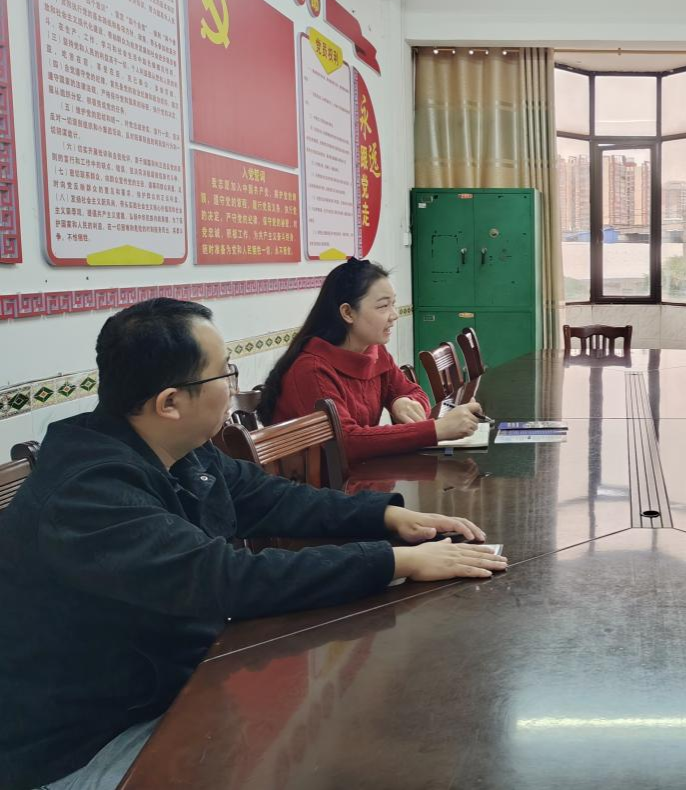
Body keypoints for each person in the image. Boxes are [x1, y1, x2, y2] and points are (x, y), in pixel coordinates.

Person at [0, 298, 506, 789]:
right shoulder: (90, 492)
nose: (233, 387)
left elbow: (268, 497)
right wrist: (396, 562)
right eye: (225, 374)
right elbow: (227, 579)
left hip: (170, 688)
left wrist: (388, 516)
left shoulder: (177, 447)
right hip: (88, 745)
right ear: (170, 403)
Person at [260, 258, 482, 463]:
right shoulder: (312, 369)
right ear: (348, 313)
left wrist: (401, 400)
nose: (394, 315)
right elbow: (346, 442)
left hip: (362, 472)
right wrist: (436, 430)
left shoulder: (374, 351)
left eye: (393, 304)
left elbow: (414, 391)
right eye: (383, 306)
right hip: (321, 487)